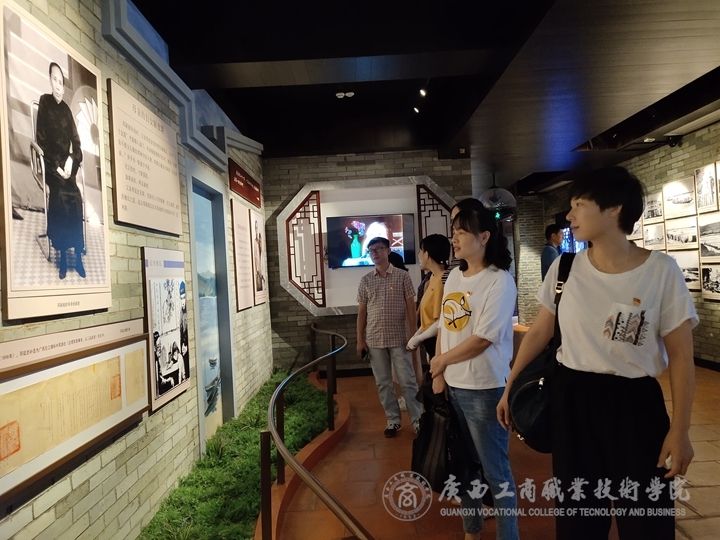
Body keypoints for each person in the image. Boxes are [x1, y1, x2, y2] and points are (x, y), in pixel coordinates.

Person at [497, 166, 698, 540]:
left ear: (614, 209)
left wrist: (681, 430)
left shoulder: (661, 271)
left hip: (635, 406)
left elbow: (682, 357)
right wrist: (510, 385)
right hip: (573, 401)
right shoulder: (565, 267)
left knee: (646, 519)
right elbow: (540, 332)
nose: (570, 215)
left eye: (579, 205)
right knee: (579, 519)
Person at [430, 204, 519, 540]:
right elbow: (445, 325)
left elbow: (483, 339)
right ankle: (472, 530)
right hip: (453, 386)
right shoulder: (454, 276)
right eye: (453, 231)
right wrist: (440, 373)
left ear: (484, 237)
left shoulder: (499, 281)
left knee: (496, 472)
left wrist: (442, 362)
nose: (454, 238)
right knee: (464, 466)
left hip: (484, 389)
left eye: (461, 232)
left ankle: (508, 535)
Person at [357, 236, 423, 437]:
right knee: (383, 383)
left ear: (388, 250)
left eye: (379, 249)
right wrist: (360, 339)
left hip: (400, 338)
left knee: (407, 381)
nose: (375, 253)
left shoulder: (402, 276)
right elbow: (362, 313)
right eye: (371, 250)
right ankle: (393, 420)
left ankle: (418, 421)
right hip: (374, 339)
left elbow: (411, 307)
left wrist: (413, 334)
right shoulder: (365, 280)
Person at [36, 62, 85, 280]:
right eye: (55, 80)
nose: (58, 85)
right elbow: (41, 140)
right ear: (50, 80)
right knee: (61, 195)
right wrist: (56, 165)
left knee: (76, 196)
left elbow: (77, 142)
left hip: (67, 166)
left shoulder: (66, 109)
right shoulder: (45, 102)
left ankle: (77, 254)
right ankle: (64, 254)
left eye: (61, 82)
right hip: (51, 165)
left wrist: (72, 161)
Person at [407, 234, 451, 362]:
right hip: (430, 342)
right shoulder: (432, 277)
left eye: (421, 251)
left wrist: (418, 338)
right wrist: (416, 336)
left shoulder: (443, 280)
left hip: (439, 343)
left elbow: (440, 322)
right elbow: (427, 319)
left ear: (427, 254)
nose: (419, 255)